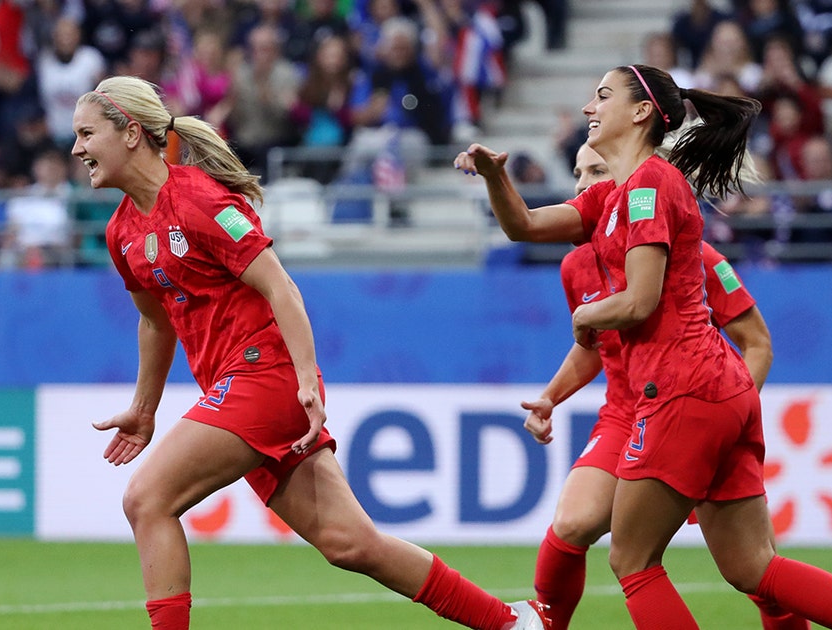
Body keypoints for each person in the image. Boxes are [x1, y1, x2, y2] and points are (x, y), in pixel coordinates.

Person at [72, 75, 552, 630]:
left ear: (131, 133)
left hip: (265, 378)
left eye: (87, 133)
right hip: (241, 388)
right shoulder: (121, 231)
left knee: (146, 500)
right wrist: (144, 407)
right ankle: (513, 624)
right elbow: (156, 322)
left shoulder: (201, 200)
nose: (77, 148)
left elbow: (281, 287)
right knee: (351, 543)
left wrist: (303, 382)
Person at [454, 64, 832, 628]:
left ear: (640, 112)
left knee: (632, 559)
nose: (589, 108)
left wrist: (587, 314)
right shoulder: (613, 195)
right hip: (712, 386)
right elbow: (525, 226)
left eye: (602, 95)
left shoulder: (652, 184)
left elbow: (639, 301)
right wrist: (493, 176)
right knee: (753, 568)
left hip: (681, 386)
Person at [524, 142, 802, 630]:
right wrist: (551, 396)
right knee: (572, 523)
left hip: (690, 405)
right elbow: (594, 346)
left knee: (755, 574)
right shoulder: (576, 265)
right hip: (626, 413)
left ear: (624, 182)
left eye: (597, 170)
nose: (584, 184)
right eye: (577, 173)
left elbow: (756, 344)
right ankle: (544, 624)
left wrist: (715, 428)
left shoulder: (697, 257)